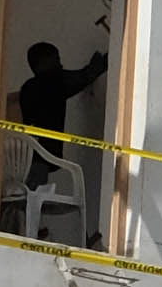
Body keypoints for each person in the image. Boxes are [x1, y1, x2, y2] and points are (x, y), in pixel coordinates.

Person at [11, 35, 110, 232]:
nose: (60, 63)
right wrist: (107, 59)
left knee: (26, 195)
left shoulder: (29, 87)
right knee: (33, 195)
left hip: (27, 152)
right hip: (40, 153)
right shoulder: (51, 84)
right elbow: (84, 77)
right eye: (56, 59)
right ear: (44, 63)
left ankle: (26, 229)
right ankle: (30, 232)